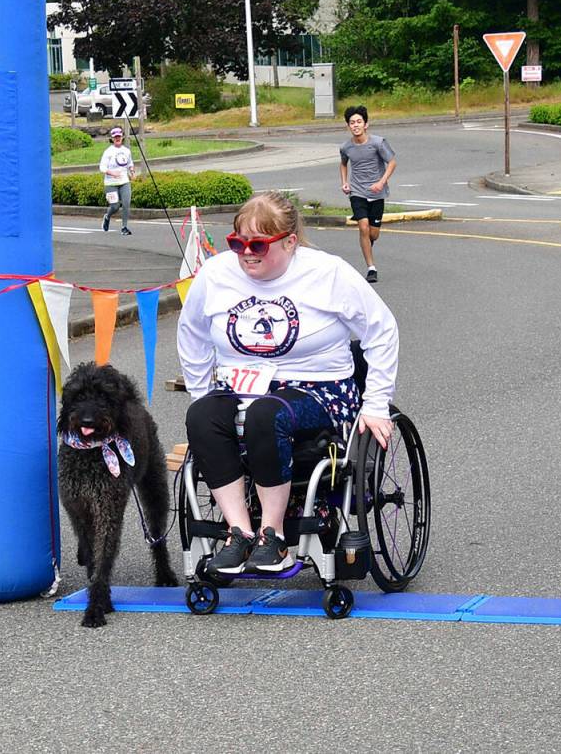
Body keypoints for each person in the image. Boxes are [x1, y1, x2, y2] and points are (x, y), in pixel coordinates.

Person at [176, 191, 398, 574]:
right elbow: (191, 333)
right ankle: (239, 533)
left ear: (290, 242)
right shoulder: (215, 274)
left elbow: (382, 330)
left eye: (258, 245)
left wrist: (376, 403)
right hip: (239, 387)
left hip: (319, 389)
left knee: (266, 414)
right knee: (202, 416)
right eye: (238, 243)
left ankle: (273, 536)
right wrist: (201, 392)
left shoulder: (327, 273)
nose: (246, 254)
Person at [339, 105, 397, 284]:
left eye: (359, 122)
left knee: (373, 234)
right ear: (348, 126)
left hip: (377, 192)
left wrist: (381, 182)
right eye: (352, 123)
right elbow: (343, 164)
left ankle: (367, 241)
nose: (355, 125)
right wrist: (345, 182)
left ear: (366, 124)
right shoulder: (345, 147)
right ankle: (371, 268)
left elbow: (392, 162)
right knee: (363, 227)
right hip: (357, 191)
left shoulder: (378, 143)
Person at [99, 126, 136, 236]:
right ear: (112, 139)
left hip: (124, 181)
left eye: (119, 136)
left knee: (126, 203)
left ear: (122, 137)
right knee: (115, 206)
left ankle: (124, 227)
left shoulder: (126, 151)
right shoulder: (108, 152)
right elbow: (102, 167)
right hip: (110, 183)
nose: (117, 138)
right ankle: (107, 216)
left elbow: (130, 163)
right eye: (115, 137)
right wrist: (112, 173)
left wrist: (132, 171)